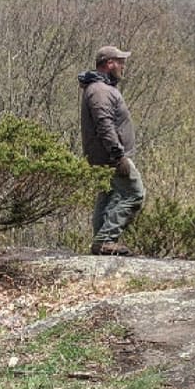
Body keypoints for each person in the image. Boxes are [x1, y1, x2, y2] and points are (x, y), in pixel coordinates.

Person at [78, 45, 145, 256]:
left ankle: (101, 244)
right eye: (120, 62)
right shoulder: (100, 91)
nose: (123, 66)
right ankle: (105, 240)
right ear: (109, 64)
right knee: (135, 193)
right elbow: (104, 125)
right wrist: (118, 155)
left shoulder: (101, 88)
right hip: (110, 157)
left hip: (103, 157)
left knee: (107, 197)